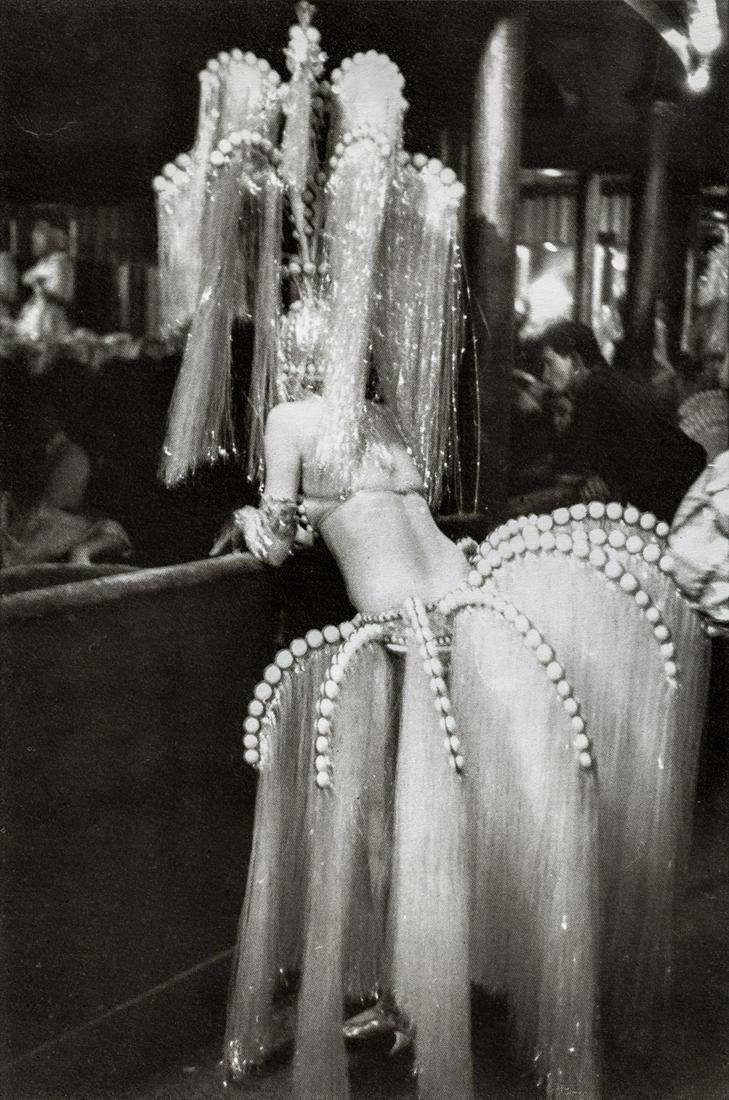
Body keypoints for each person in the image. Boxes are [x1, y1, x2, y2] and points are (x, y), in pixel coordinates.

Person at [160, 16, 709, 1100]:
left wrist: (264, 528)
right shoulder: (340, 423)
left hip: (448, 622)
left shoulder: (336, 422)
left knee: (463, 813)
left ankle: (431, 984)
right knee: (432, 820)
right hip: (429, 626)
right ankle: (416, 985)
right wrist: (268, 527)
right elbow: (301, 529)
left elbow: (282, 531)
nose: (339, 336)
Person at [540, 320, 705, 520]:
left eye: (549, 363)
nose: (545, 376)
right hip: (681, 489)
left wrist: (585, 477)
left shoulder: (594, 390)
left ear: (575, 361)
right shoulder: (609, 379)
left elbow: (566, 468)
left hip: (673, 501)